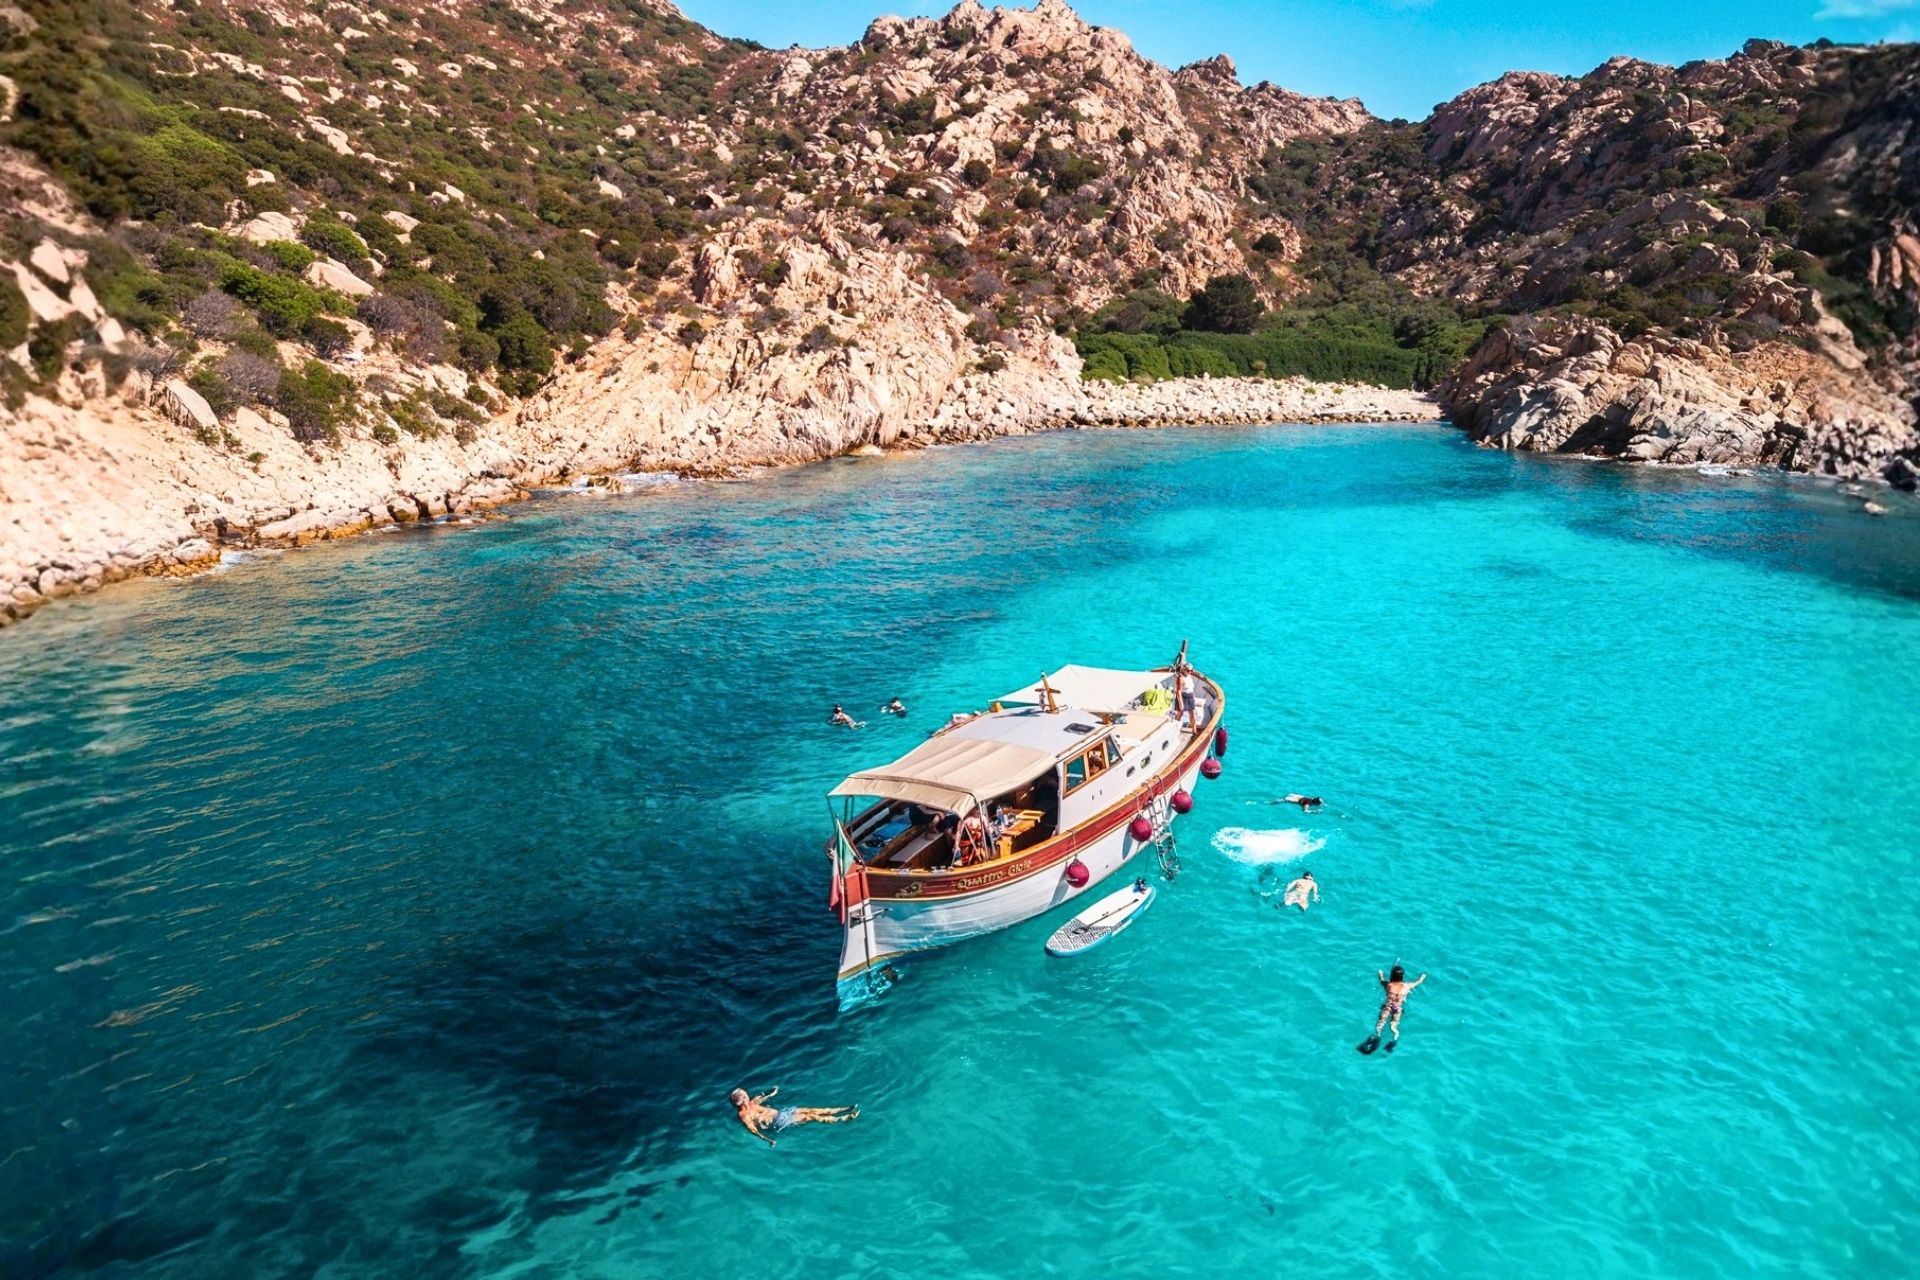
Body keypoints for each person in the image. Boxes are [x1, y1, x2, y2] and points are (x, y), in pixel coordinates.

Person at [730, 1087, 858, 1147]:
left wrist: (772, 1093)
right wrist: (768, 1140)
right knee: (812, 1117)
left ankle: (844, 1109)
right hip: (779, 1121)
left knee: (811, 1110)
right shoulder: (744, 1115)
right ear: (744, 1099)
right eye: (745, 1094)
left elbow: (762, 1097)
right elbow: (753, 1130)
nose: (747, 1094)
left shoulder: (752, 1103)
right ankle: (845, 1118)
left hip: (782, 1113)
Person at [1360, 964, 1427, 1055]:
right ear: (1402, 976)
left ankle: (1378, 1036)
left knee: (1380, 1024)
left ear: (1392, 976)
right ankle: (1394, 1040)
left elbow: (1381, 980)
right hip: (1398, 1008)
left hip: (1388, 1006)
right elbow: (1418, 982)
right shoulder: (1407, 986)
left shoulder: (1388, 984)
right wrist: (1422, 977)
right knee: (1394, 1026)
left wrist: (1380, 973)